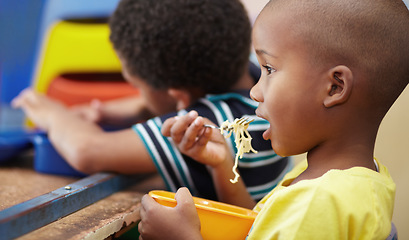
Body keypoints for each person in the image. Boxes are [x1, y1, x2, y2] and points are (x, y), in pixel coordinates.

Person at [138, 0, 409, 239]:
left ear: (334, 88)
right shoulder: (355, 180)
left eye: (269, 69)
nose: (255, 92)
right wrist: (221, 165)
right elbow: (259, 229)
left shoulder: (318, 202)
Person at [12, 0, 292, 204]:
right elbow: (161, 101)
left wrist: (52, 113)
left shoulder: (202, 128)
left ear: (178, 97)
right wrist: (114, 109)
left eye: (137, 86)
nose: (137, 95)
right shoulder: (254, 82)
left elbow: (88, 151)